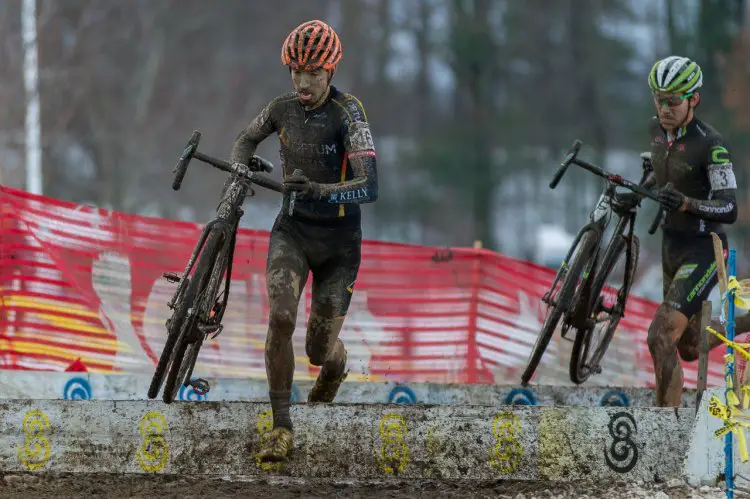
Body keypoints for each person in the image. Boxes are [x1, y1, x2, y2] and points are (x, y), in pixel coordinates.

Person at [228, 20, 378, 462]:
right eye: (295, 71)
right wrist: (240, 166)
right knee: (281, 316)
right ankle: (281, 426)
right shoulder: (281, 108)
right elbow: (245, 137)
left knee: (317, 351)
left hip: (339, 244)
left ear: (330, 72)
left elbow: (370, 186)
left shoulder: (349, 112)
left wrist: (320, 190)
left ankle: (335, 367)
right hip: (292, 232)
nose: (303, 81)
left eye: (312, 72)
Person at [614, 55, 742, 407]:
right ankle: (744, 321)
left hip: (704, 248)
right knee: (686, 346)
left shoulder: (710, 144)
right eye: (659, 99)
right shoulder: (656, 130)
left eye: (673, 100)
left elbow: (729, 208)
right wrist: (639, 191)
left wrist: (686, 203)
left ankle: (665, 431)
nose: (665, 108)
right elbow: (663, 171)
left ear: (693, 99)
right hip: (671, 245)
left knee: (660, 336)